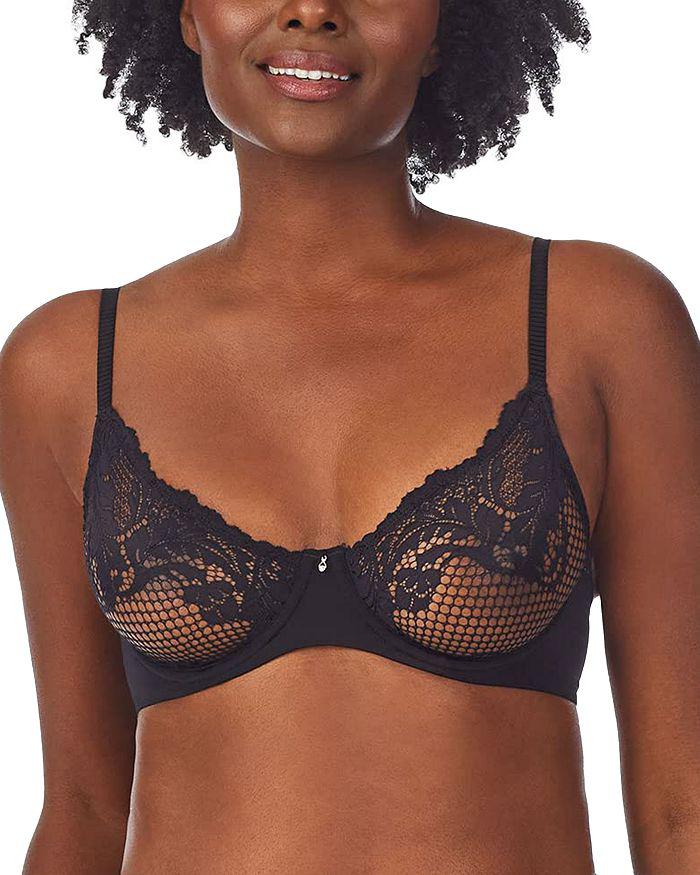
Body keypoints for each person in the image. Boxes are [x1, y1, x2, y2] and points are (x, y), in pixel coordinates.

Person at [2, 1, 698, 873]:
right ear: (185, 15)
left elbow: (683, 805)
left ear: (446, 28)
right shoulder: (68, 366)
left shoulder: (595, 321)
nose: (313, 11)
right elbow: (83, 808)